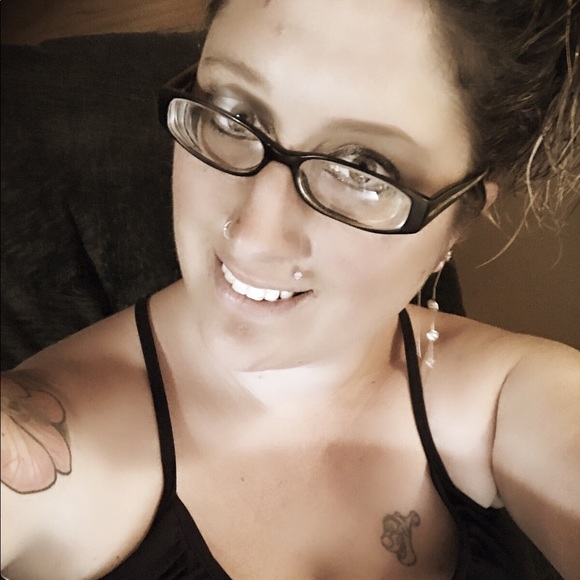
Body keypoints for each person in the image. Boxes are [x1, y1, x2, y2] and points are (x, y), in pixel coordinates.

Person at [1, 0, 579, 578]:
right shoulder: (41, 441)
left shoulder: (516, 397)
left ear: (461, 217)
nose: (253, 238)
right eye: (232, 115)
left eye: (362, 170)